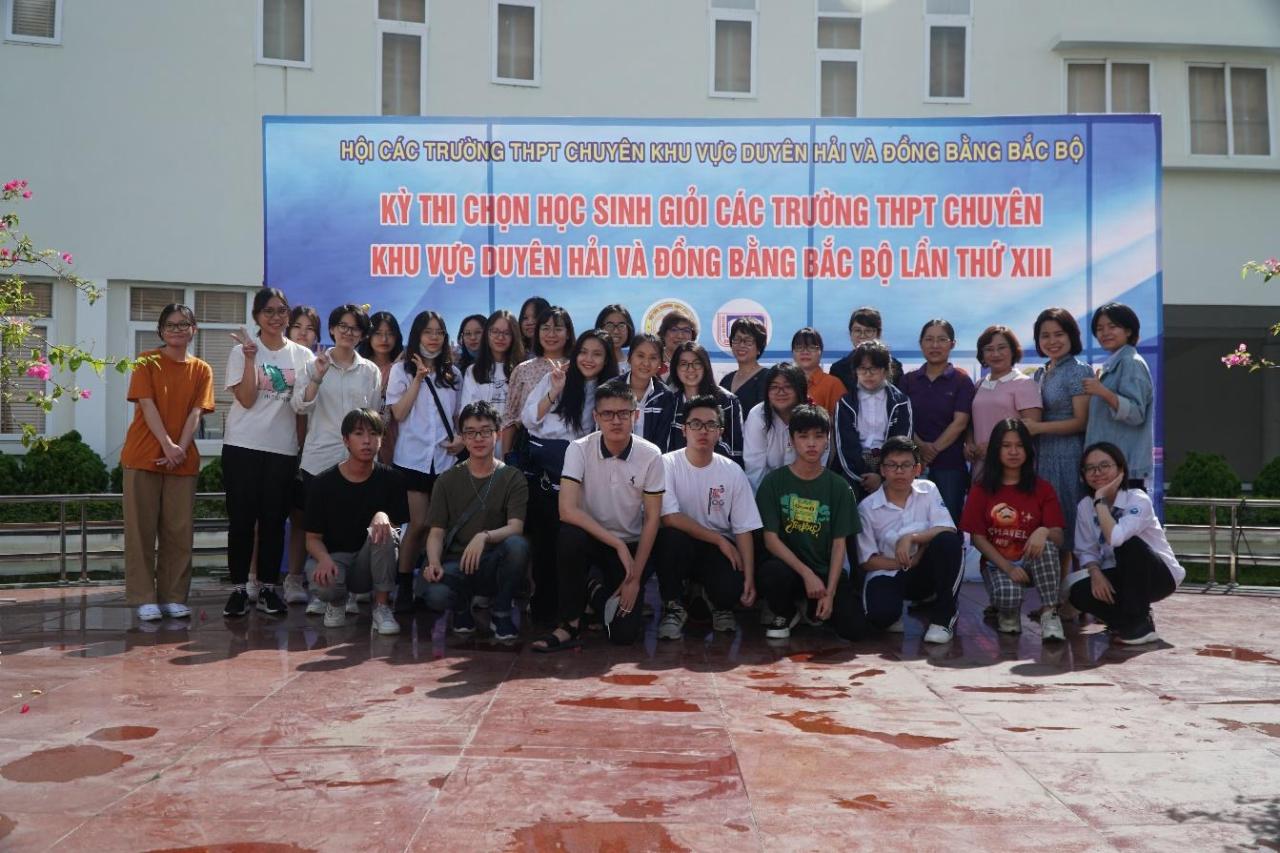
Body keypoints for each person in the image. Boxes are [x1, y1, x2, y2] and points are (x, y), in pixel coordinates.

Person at [531, 380, 665, 651]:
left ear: (635, 415)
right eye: (607, 414)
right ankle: (569, 623)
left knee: (623, 636)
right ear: (596, 417)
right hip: (592, 539)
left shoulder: (651, 455)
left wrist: (635, 580)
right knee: (568, 534)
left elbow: (652, 519)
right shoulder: (579, 449)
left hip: (630, 545)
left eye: (623, 414)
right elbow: (566, 510)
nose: (615, 421)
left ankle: (594, 590)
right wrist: (614, 543)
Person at [222, 288, 315, 618]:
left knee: (275, 522)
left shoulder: (302, 356)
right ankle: (237, 591)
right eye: (268, 311)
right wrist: (250, 359)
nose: (276, 317)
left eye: (281, 311)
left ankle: (268, 590)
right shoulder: (242, 350)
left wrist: (301, 450)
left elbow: (302, 406)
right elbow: (246, 399)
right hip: (242, 446)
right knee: (243, 522)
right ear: (257, 315)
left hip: (282, 449)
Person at [122, 304, 215, 622]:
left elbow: (197, 412)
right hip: (143, 456)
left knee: (179, 530)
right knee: (141, 530)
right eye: (170, 325)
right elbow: (146, 404)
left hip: (182, 461)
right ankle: (144, 597)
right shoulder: (147, 361)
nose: (177, 330)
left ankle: (174, 597)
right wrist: (167, 444)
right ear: (160, 331)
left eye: (183, 324)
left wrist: (180, 449)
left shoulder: (202, 369)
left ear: (194, 329)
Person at [521, 328, 619, 622]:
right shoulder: (556, 378)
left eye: (597, 354)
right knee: (545, 542)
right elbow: (529, 420)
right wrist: (554, 390)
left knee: (575, 544)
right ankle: (545, 604)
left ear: (607, 360)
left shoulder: (610, 390)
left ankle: (580, 605)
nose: (589, 359)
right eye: (584, 352)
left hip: (585, 476)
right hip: (546, 473)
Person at [293, 304, 381, 615]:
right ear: (331, 329)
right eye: (342, 326)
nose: (348, 332)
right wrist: (317, 377)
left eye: (355, 328)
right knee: (320, 528)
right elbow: (300, 407)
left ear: (361, 335)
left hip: (358, 463)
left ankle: (355, 589)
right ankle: (323, 590)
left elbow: (374, 418)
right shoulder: (313, 363)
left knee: (357, 525)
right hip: (320, 460)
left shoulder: (370, 371)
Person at [418, 401, 530, 640]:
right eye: (470, 432)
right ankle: (460, 608)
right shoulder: (447, 480)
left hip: (493, 561)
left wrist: (484, 536)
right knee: (435, 594)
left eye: (485, 431)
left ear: (497, 435)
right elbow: (436, 532)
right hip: (456, 563)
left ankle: (500, 610)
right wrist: (434, 562)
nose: (478, 438)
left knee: (518, 546)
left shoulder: (512, 477)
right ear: (463, 438)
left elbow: (516, 527)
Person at [654, 395, 761, 639]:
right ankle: (674, 606)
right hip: (684, 544)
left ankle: (717, 604)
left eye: (711, 425)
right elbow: (669, 517)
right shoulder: (666, 464)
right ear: (684, 429)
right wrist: (720, 540)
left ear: (720, 432)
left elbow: (744, 528)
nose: (703, 431)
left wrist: (749, 579)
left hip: (717, 551)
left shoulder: (732, 471)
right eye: (696, 424)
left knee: (730, 590)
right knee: (669, 538)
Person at [755, 404, 862, 640]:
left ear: (827, 441)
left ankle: (813, 607)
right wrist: (806, 574)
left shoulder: (839, 487)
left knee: (854, 629)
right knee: (772, 573)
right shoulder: (773, 483)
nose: (811, 443)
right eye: (803, 436)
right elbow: (770, 541)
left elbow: (839, 545)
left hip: (825, 572)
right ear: (792, 441)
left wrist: (830, 592)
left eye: (819, 436)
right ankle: (786, 611)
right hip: (789, 570)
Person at [303, 409, 407, 634]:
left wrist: (384, 517)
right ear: (346, 440)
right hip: (333, 560)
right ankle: (336, 603)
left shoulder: (393, 480)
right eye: (359, 434)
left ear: (382, 439)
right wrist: (323, 559)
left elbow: (396, 533)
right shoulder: (323, 483)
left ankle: (381, 607)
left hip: (368, 563)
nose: (367, 441)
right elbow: (311, 539)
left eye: (373, 434)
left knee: (386, 530)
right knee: (325, 583)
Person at [1068, 443, 1185, 644]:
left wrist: (1100, 502)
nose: (1097, 473)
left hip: (1158, 576)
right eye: (1090, 468)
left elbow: (1116, 537)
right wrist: (1096, 575)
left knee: (1128, 545)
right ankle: (1128, 622)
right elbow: (1086, 550)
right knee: (1078, 592)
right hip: (1119, 573)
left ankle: (1139, 623)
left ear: (1121, 469)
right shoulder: (1084, 507)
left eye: (1105, 466)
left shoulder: (1138, 499)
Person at [961, 418, 1066, 640]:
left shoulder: (1042, 488)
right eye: (1006, 446)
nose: (1013, 452)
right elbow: (978, 539)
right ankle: (1006, 612)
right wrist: (1008, 568)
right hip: (998, 564)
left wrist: (1043, 531)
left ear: (1028, 450)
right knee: (1009, 598)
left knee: (1047, 545)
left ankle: (1050, 613)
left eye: (1019, 446)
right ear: (996, 450)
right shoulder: (981, 490)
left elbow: (1058, 534)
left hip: (1032, 559)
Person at [386, 310, 464, 611]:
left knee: (437, 526)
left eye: (439, 332)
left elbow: (458, 417)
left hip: (444, 460)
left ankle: (428, 584)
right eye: (428, 332)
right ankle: (403, 585)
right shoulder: (402, 371)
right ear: (417, 335)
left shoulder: (453, 374)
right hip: (412, 459)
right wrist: (418, 379)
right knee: (417, 524)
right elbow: (399, 413)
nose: (433, 338)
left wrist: (460, 439)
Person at [855, 436, 964, 643]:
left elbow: (947, 527)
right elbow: (867, 560)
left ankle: (943, 617)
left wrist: (911, 538)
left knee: (949, 542)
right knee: (880, 617)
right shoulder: (867, 508)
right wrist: (905, 562)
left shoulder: (929, 490)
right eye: (892, 465)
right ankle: (894, 611)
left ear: (917, 469)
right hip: (887, 572)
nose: (899, 471)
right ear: (882, 470)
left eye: (906, 465)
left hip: (925, 572)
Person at [1026, 308, 1092, 578]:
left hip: (1069, 456)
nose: (1052, 341)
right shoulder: (1042, 372)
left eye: (1059, 334)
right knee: (1053, 526)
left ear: (1072, 336)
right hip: (1043, 456)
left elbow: (1081, 421)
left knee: (1072, 527)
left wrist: (1038, 428)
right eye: (1045, 336)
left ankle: (1077, 601)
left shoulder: (1079, 370)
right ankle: (1057, 595)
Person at [901, 319, 975, 523]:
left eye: (941, 340)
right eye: (929, 339)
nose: (935, 345)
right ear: (921, 343)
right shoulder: (908, 380)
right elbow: (903, 419)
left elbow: (960, 422)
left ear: (952, 344)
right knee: (912, 523)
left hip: (950, 465)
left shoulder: (961, 380)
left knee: (948, 523)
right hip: (912, 465)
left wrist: (931, 450)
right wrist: (919, 447)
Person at [1083, 302, 1155, 490]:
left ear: (1129, 330)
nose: (1105, 333)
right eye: (1100, 329)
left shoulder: (1131, 363)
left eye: (1112, 326)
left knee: (1120, 520)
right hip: (1109, 468)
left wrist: (1103, 392)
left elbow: (1136, 413)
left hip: (1124, 471)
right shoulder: (1115, 363)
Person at [832, 340, 913, 499]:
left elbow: (903, 443)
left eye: (874, 368)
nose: (868, 374)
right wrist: (862, 477)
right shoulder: (845, 403)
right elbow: (845, 445)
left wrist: (882, 477)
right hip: (855, 471)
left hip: (892, 469)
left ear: (885, 370)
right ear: (855, 371)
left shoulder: (901, 402)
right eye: (863, 368)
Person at [965, 325, 1042, 483]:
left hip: (1013, 468)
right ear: (982, 354)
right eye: (989, 349)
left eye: (1002, 348)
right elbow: (972, 423)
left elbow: (1031, 428)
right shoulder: (979, 385)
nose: (996, 354)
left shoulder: (1024, 383)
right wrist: (970, 444)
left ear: (1013, 350)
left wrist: (995, 446)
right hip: (981, 467)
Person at [502, 305, 572, 462]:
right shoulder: (523, 369)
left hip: (570, 450)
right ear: (537, 332)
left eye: (558, 329)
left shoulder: (579, 367)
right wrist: (506, 459)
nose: (551, 334)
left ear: (568, 334)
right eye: (545, 328)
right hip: (530, 452)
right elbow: (510, 419)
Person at [460, 309, 525, 456]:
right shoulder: (473, 371)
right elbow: (466, 410)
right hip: (481, 447)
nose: (500, 337)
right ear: (487, 334)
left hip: (513, 449)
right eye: (495, 331)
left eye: (506, 333)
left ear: (514, 336)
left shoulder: (522, 369)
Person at [667, 341, 744, 464]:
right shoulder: (668, 401)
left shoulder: (727, 401)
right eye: (683, 364)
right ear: (675, 369)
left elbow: (736, 451)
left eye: (697, 364)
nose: (690, 369)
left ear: (706, 366)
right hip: (676, 473)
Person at [743, 362, 813, 491]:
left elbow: (817, 464)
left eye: (787, 386)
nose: (781, 392)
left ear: (799, 389)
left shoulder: (813, 416)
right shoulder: (758, 415)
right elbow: (755, 469)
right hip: (767, 492)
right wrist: (765, 502)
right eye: (774, 387)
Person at [356, 311, 404, 466]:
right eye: (378, 333)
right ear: (368, 336)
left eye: (390, 334)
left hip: (395, 436)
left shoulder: (403, 368)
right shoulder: (359, 366)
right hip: (363, 434)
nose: (384, 339)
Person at [622, 332, 677, 451]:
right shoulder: (612, 390)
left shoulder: (665, 397)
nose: (646, 363)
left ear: (660, 364)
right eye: (640, 356)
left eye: (653, 358)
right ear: (629, 358)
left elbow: (663, 441)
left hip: (651, 464)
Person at [831, 306, 903, 390]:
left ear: (878, 334)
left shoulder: (894, 366)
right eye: (857, 330)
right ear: (850, 334)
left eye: (868, 331)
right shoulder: (838, 369)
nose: (862, 335)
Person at [790, 327, 847, 416]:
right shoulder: (785, 383)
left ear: (821, 352)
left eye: (811, 347)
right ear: (792, 352)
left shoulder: (833, 384)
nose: (805, 352)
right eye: (799, 347)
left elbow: (840, 421)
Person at [719, 317, 769, 418]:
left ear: (759, 347)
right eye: (737, 339)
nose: (741, 345)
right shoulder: (726, 380)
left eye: (748, 341)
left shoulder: (767, 377)